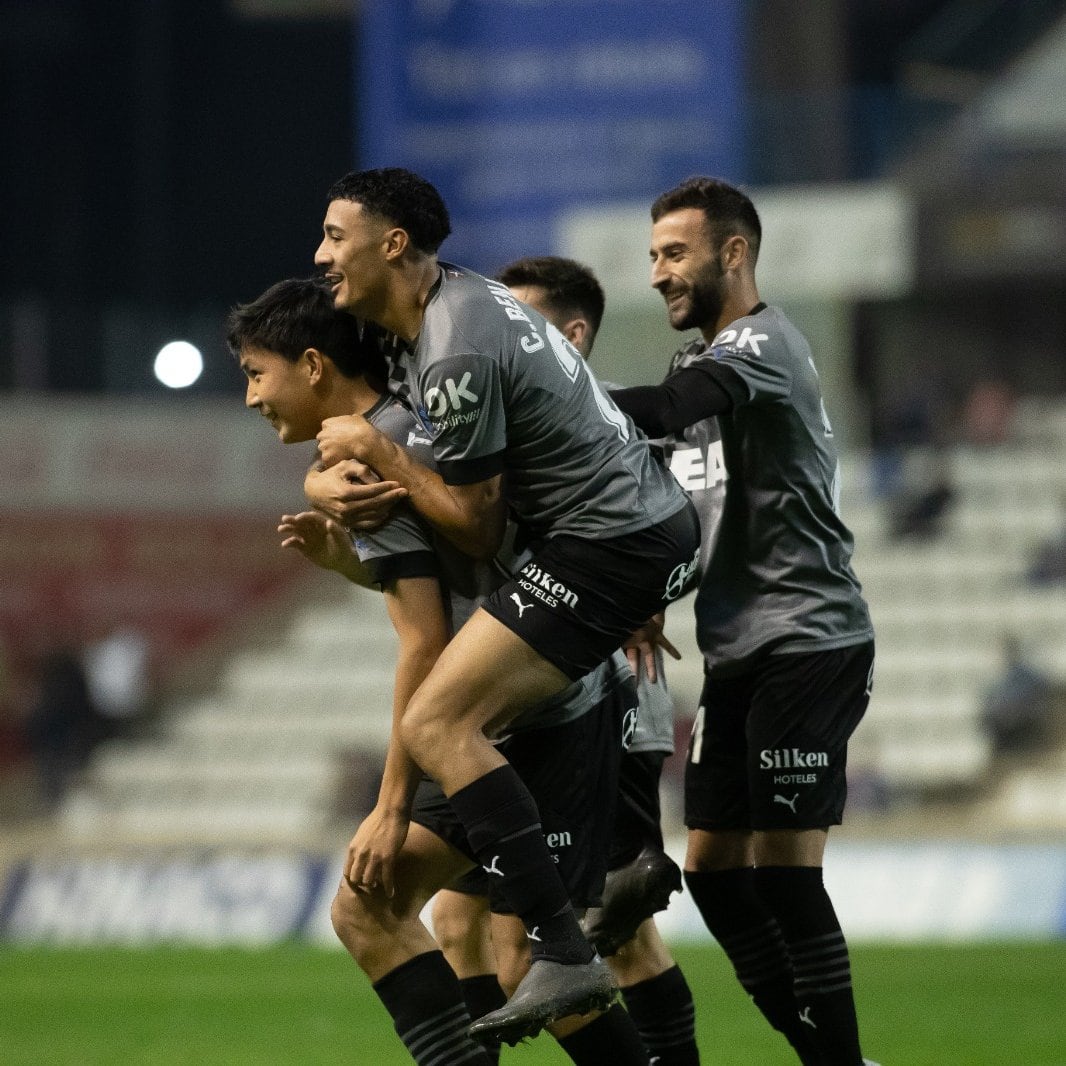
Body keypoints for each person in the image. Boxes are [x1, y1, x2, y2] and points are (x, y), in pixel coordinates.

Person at [309, 167, 701, 1044]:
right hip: (622, 539)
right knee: (459, 893)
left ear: (394, 243)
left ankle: (566, 942)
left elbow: (478, 530)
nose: (323, 254)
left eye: (337, 236)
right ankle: (571, 922)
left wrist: (382, 454)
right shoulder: (444, 317)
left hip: (613, 543)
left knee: (438, 721)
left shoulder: (453, 345)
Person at [228, 277, 651, 1066]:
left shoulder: (362, 464)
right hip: (540, 704)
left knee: (519, 956)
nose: (252, 397)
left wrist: (389, 807)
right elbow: (457, 590)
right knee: (393, 915)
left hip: (531, 724)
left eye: (257, 373)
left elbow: (424, 644)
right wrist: (351, 562)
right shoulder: (412, 420)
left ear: (314, 365)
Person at [608, 177, 878, 1066]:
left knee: (788, 879)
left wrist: (552, 388)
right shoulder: (704, 362)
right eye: (652, 257)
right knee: (713, 871)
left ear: (734, 254)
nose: (657, 274)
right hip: (737, 647)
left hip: (809, 637)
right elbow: (686, 487)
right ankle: (822, 1052)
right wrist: (647, 591)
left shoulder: (763, 342)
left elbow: (671, 414)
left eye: (673, 253)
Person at [492, 255, 700, 1064]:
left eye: (524, 322)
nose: (504, 339)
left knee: (590, 934)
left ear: (572, 333)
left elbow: (672, 529)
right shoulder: (539, 422)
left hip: (597, 698)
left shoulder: (606, 426)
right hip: (565, 691)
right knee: (503, 927)